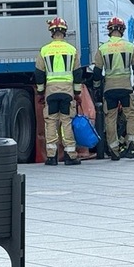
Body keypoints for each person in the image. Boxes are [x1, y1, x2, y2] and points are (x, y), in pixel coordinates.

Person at [90, 16, 134, 162]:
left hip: (109, 90)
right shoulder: (130, 47)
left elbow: (97, 72)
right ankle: (133, 148)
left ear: (109, 30)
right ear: (122, 30)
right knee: (132, 116)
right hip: (126, 88)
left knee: (110, 119)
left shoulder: (102, 48)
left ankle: (114, 151)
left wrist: (97, 88)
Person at [34, 16, 82, 166]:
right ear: (64, 32)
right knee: (66, 122)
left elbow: (39, 73)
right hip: (67, 93)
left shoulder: (44, 50)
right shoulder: (72, 50)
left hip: (51, 93)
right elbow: (78, 74)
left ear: (52, 33)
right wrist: (77, 93)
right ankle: (70, 155)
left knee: (51, 123)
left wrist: (41, 92)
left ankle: (51, 157)